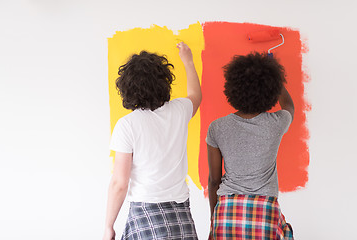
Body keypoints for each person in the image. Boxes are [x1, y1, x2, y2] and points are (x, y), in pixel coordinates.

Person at [103, 42, 201, 240]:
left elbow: (119, 183)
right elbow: (196, 96)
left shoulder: (127, 125)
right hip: (180, 215)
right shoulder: (179, 110)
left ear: (127, 88)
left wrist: (108, 226)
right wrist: (188, 62)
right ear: (164, 81)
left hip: (145, 215)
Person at [207, 52, 294, 239]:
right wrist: (276, 77)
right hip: (265, 211)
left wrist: (214, 220)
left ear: (232, 88)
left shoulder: (217, 127)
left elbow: (214, 181)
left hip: (227, 210)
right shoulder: (277, 122)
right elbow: (289, 105)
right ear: (271, 91)